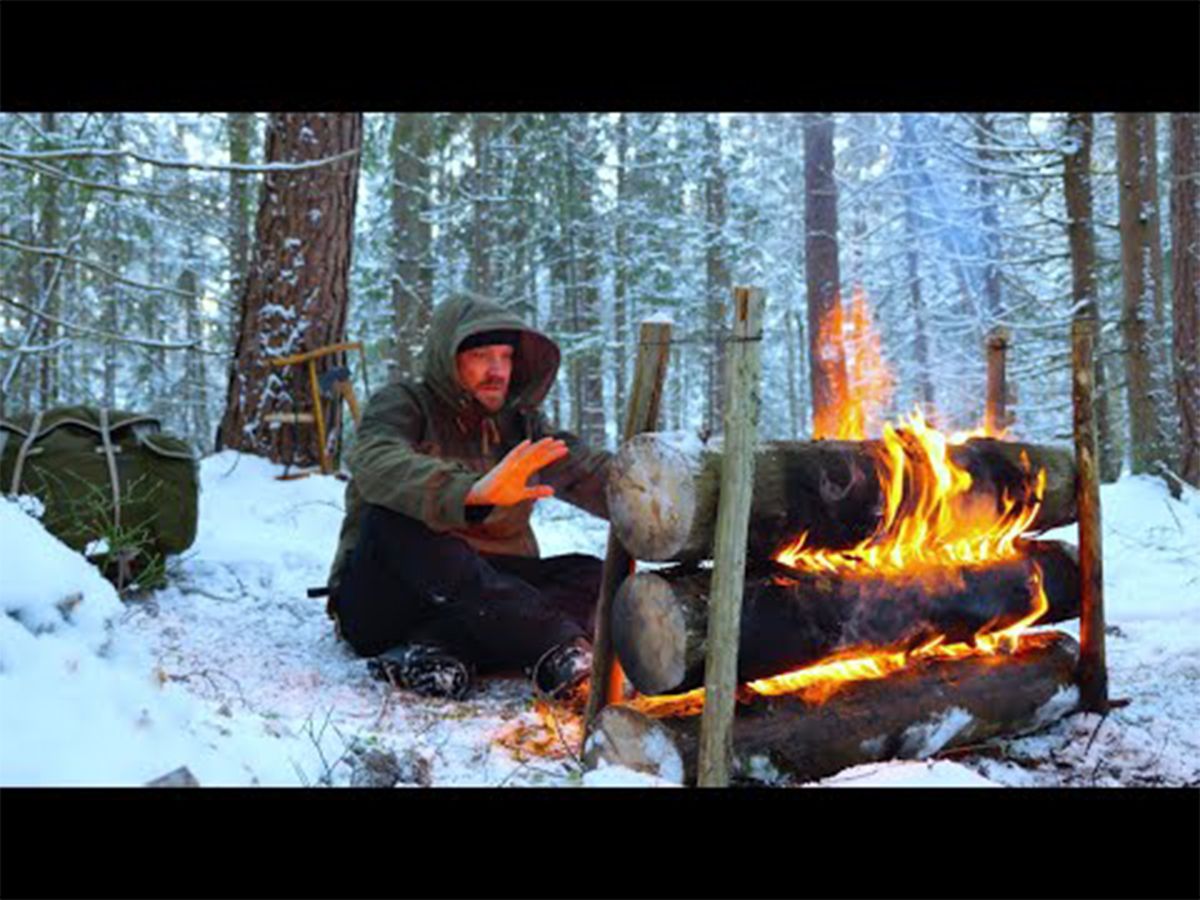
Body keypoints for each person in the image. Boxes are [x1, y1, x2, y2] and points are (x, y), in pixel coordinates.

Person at [326, 292, 611, 700]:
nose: (497, 370)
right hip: (387, 598)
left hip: (480, 598)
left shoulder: (521, 427)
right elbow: (374, 460)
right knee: (389, 518)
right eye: (480, 355)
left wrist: (662, 493)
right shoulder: (405, 404)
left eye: (506, 357)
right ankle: (549, 644)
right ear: (449, 357)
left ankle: (438, 649)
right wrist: (471, 491)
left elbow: (588, 471)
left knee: (592, 576)